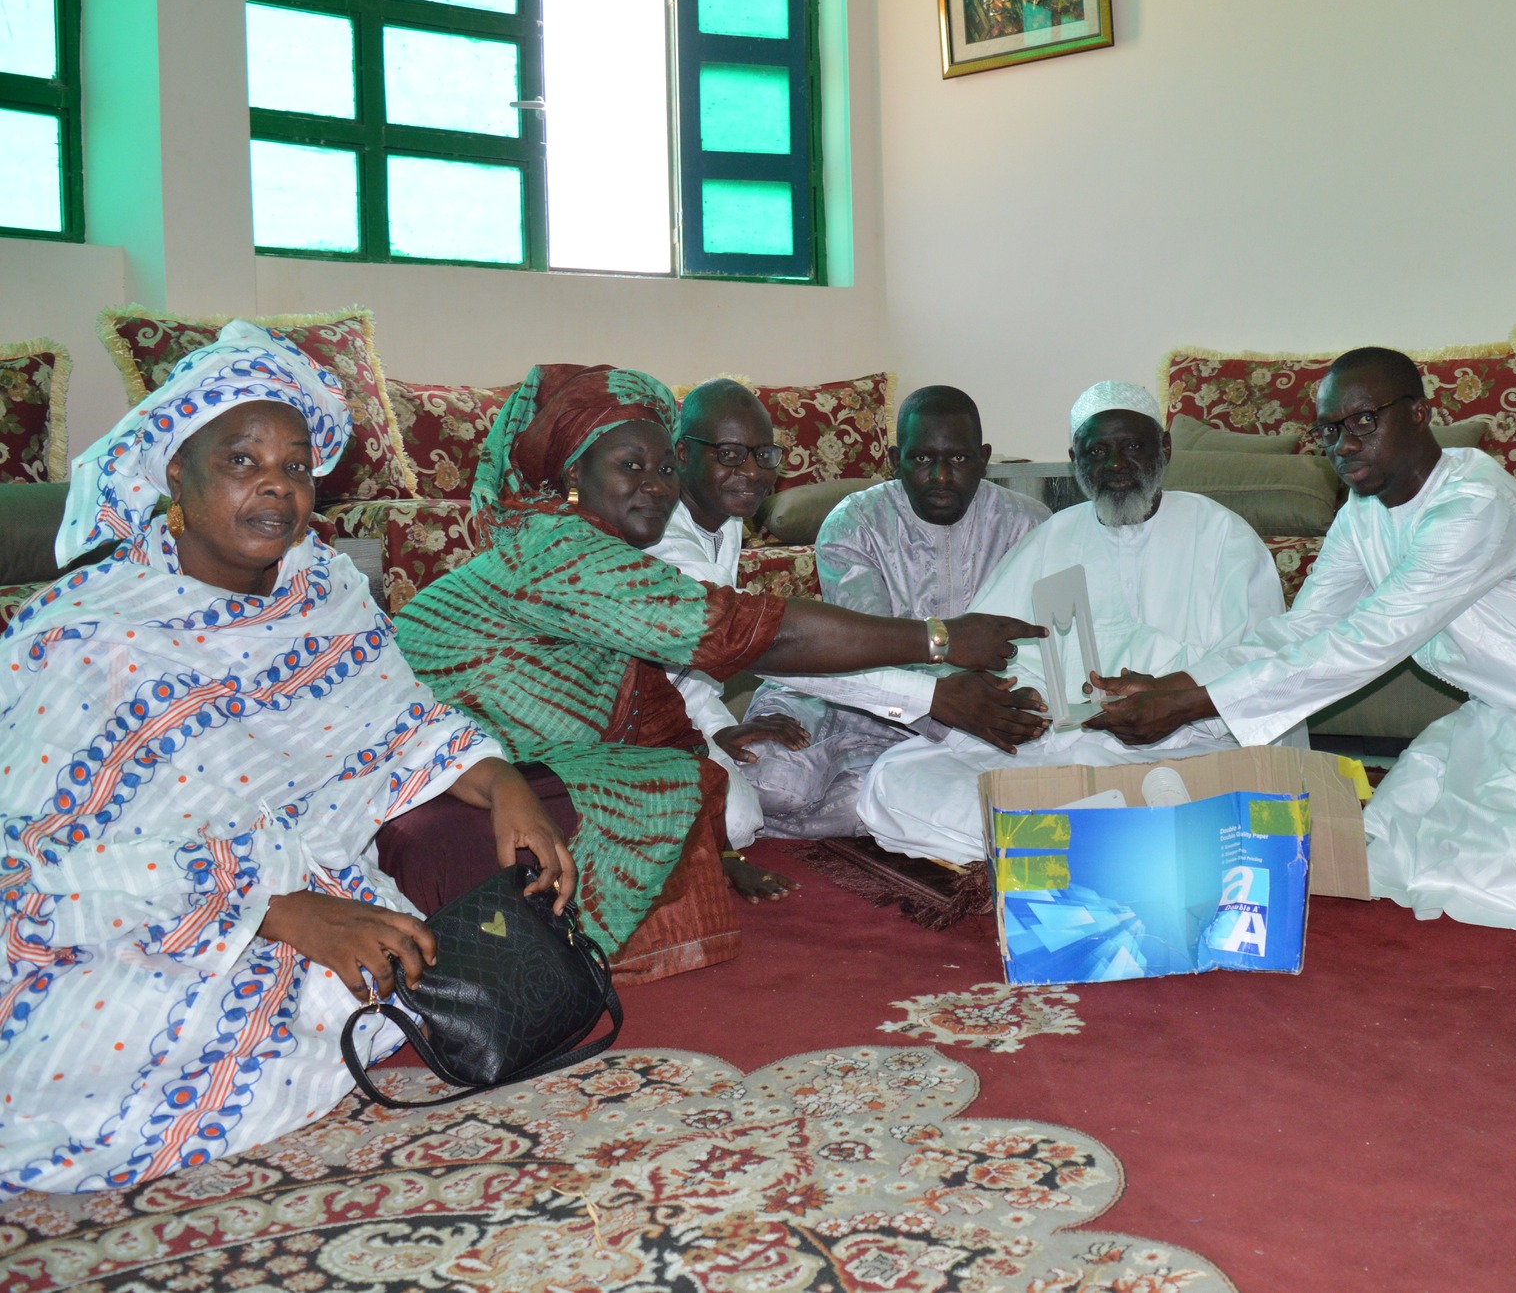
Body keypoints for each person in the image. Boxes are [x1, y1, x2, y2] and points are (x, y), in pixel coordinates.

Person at [0, 322, 576, 1195]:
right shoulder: (83, 633)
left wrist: (505, 791)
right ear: (176, 481)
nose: (275, 486)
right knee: (62, 1068)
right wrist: (271, 911)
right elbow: (36, 866)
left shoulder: (326, 593)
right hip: (120, 912)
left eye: (296, 467)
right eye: (240, 462)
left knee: (364, 984)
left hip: (310, 887)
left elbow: (402, 721)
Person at [392, 363, 1040, 977]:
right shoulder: (566, 552)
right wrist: (938, 653)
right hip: (431, 764)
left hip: (534, 744)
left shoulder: (687, 526)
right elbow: (751, 637)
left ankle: (547, 904)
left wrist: (710, 730)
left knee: (685, 798)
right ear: (573, 473)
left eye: (663, 467)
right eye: (630, 467)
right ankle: (479, 904)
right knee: (701, 815)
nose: (655, 484)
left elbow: (668, 663)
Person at [1088, 347, 1516, 934]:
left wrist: (1193, 706)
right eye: (1329, 430)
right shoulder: (1362, 512)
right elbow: (1306, 626)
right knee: (1392, 838)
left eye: (1364, 421)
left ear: (1419, 414)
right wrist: (1178, 684)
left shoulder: (1473, 505)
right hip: (1512, 718)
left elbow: (1369, 640)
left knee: (1489, 867)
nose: (1344, 444)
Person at [855, 380, 1285, 866]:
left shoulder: (1221, 534)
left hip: (1178, 746)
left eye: (1133, 447)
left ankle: (1055, 844)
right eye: (1097, 450)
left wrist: (1174, 697)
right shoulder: (1053, 537)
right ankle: (1111, 844)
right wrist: (1018, 703)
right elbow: (1002, 650)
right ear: (1074, 460)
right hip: (1057, 748)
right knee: (895, 777)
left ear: (1164, 449)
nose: (1116, 465)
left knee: (1207, 789)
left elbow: (1261, 658)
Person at [740, 385, 1051, 838]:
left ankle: (870, 808)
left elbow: (1044, 642)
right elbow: (864, 654)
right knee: (773, 783)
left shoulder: (1031, 525)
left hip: (982, 710)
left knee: (887, 798)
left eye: (960, 460)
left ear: (983, 459)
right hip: (848, 694)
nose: (942, 476)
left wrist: (1012, 704)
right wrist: (949, 698)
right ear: (895, 459)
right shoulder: (856, 523)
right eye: (922, 460)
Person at [644, 378, 804, 895]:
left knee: (752, 806)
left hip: (682, 703)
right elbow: (744, 636)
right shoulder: (658, 533)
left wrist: (714, 730)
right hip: (622, 718)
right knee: (736, 822)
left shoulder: (726, 514)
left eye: (763, 454)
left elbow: (696, 662)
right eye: (732, 454)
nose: (753, 473)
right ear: (683, 453)